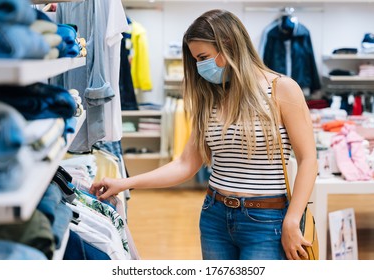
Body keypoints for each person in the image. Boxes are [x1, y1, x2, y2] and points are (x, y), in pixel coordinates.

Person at [90, 9, 318, 260]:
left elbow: (308, 159)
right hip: (214, 216)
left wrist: (292, 220)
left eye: (203, 57)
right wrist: (124, 183)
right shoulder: (211, 98)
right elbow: (185, 164)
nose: (200, 66)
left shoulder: (281, 89)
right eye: (196, 60)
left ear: (228, 45)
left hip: (266, 220)